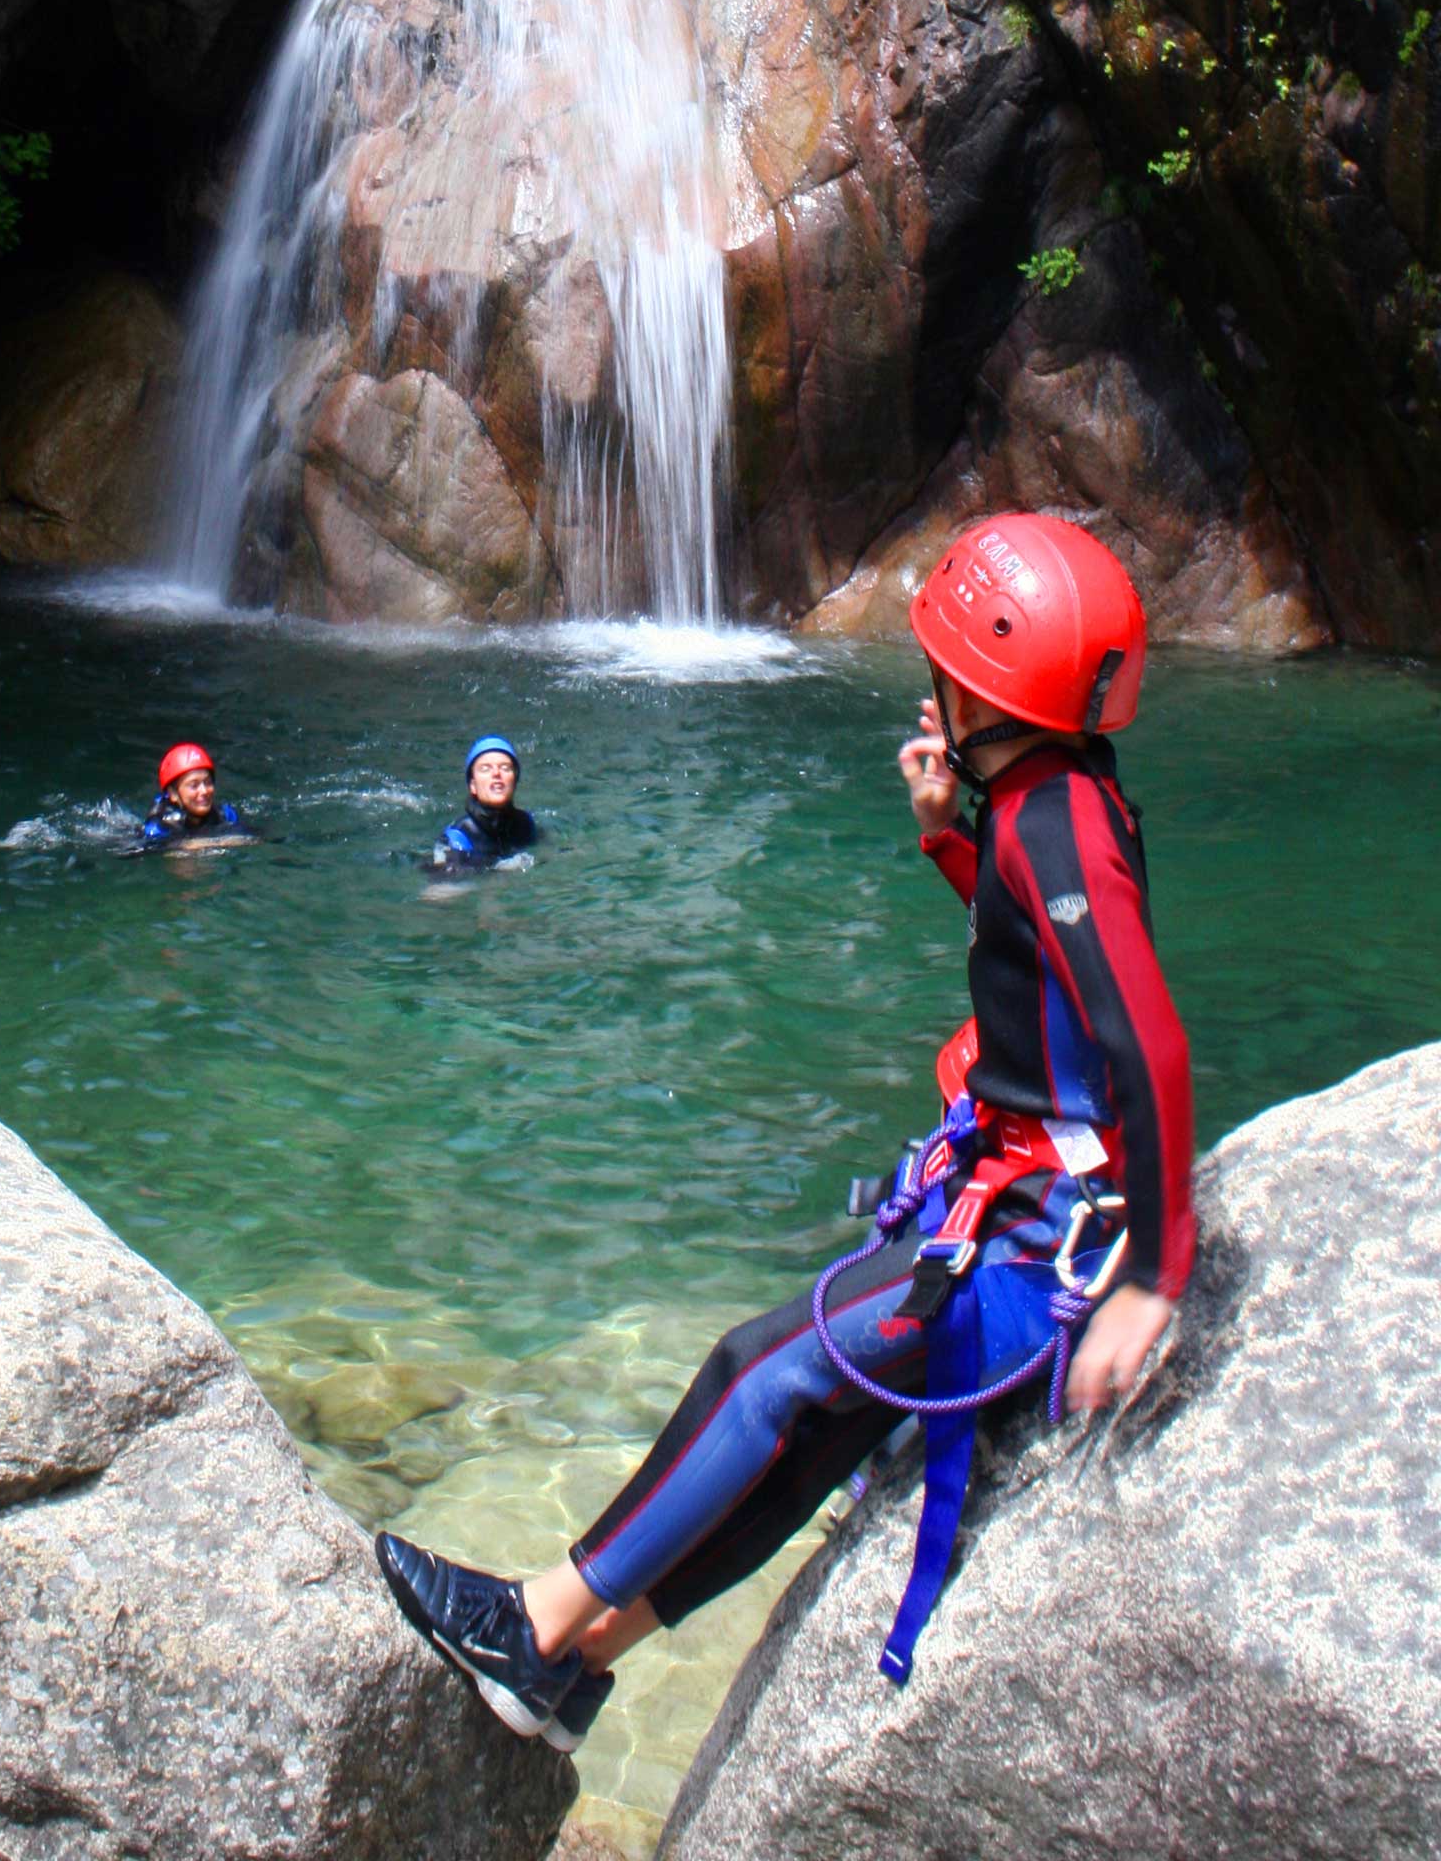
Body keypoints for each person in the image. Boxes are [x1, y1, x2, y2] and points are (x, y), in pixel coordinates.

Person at [377, 514, 1194, 1752]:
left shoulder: (1054, 820)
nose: (936, 690)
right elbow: (1044, 964)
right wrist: (943, 833)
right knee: (807, 1439)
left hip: (1048, 1239)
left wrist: (1154, 1279)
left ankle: (532, 1623)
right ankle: (583, 1661)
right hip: (1037, 1192)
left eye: (949, 673)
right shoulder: (1053, 797)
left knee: (761, 1367)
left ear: (979, 683)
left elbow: (1145, 1037)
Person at [429, 737, 538, 871]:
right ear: (473, 785)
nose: (496, 773)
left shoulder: (526, 824)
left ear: (515, 781)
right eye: (485, 769)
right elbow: (441, 888)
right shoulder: (459, 836)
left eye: (505, 768)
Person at [144, 742, 252, 846]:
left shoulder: (225, 814)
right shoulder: (159, 825)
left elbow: (251, 838)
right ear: (173, 793)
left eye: (208, 782)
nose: (204, 791)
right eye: (194, 785)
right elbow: (157, 847)